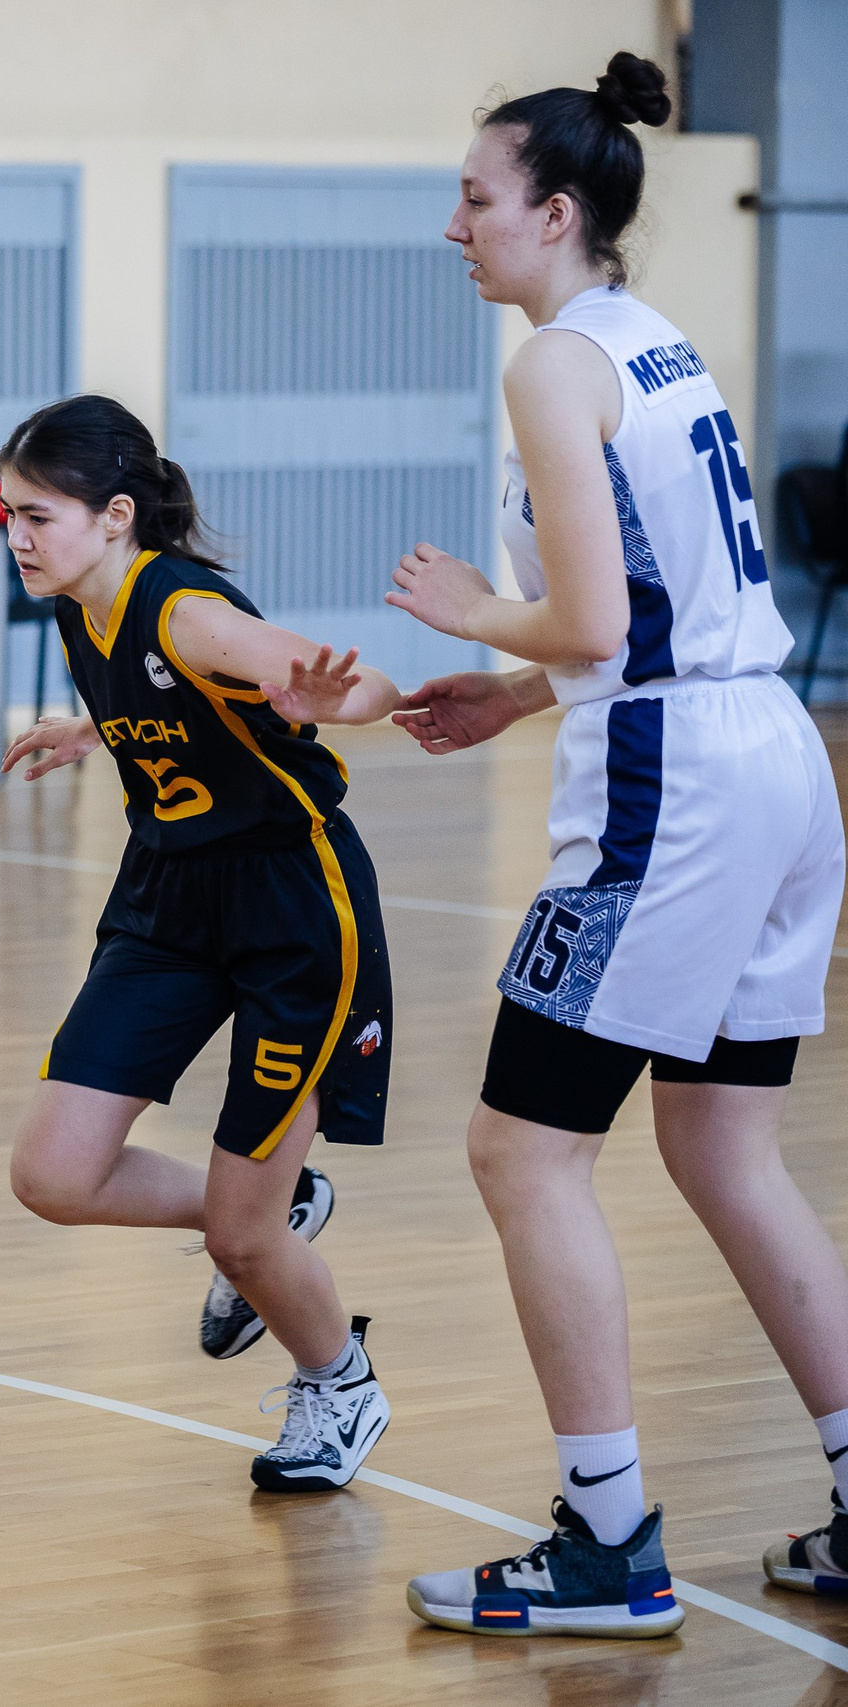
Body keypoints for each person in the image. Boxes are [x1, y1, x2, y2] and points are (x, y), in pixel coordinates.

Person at [395, 54, 846, 1639]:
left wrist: (482, 614)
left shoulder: (549, 372)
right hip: (772, 748)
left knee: (524, 1149)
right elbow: (643, 609)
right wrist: (521, 689)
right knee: (724, 1145)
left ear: (556, 212)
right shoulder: (650, 343)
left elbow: (592, 613)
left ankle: (608, 1541)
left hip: (676, 779)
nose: (454, 223)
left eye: (475, 195)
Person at [0, 394, 401, 1495]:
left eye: (37, 514)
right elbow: (166, 705)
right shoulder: (80, 604)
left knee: (241, 1241)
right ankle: (279, 1200)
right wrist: (95, 728)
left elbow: (357, 682)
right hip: (168, 897)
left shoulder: (182, 611)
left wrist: (337, 693)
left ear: (116, 514)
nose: (17, 535)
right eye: (9, 513)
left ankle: (338, 1382)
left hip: (290, 907)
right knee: (52, 1173)